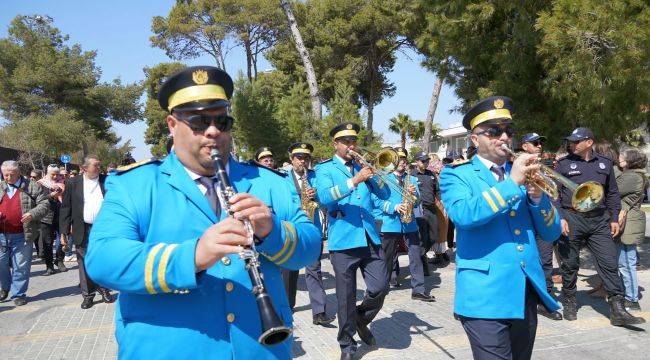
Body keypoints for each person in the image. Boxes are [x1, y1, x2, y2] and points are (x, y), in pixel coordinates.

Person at [85, 66, 321, 358]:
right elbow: (102, 259)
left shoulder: (268, 181)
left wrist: (272, 231)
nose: (213, 131)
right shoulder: (135, 184)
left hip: (259, 349)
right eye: (198, 121)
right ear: (172, 125)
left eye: (222, 121)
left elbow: (310, 247)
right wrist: (192, 257)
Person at [439, 96, 562, 360]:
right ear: (474, 139)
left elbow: (551, 234)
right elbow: (463, 215)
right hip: (484, 295)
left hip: (525, 291)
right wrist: (511, 184)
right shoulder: (456, 174)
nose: (504, 137)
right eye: (494, 131)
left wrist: (538, 198)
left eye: (508, 130)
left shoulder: (523, 173)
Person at [315, 122, 390, 360]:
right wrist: (354, 180)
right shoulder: (324, 168)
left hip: (369, 236)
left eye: (353, 141)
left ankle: (360, 318)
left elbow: (385, 194)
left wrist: (373, 174)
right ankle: (347, 346)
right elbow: (325, 196)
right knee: (345, 298)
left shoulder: (362, 166)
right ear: (335, 144)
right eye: (346, 142)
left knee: (380, 287)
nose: (351, 146)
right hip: (343, 240)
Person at [555, 127, 644, 326]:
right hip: (572, 218)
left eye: (576, 141)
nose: (572, 144)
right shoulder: (563, 164)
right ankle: (570, 300)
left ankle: (618, 309)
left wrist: (613, 218)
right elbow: (554, 194)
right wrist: (560, 218)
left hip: (599, 220)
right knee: (570, 263)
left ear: (589, 142)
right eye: (570, 141)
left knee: (609, 263)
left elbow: (612, 193)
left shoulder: (605, 164)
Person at [281, 142, 335, 326]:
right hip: (291, 230)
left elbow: (326, 200)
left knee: (314, 270)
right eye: (299, 158)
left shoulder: (315, 176)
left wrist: (316, 195)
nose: (302, 161)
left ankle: (319, 311)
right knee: (289, 270)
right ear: (291, 159)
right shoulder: (282, 178)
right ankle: (287, 306)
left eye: (305, 158)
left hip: (312, 230)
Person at [375, 147, 434, 302]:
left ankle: (418, 289)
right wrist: (393, 207)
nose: (402, 162)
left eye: (404, 159)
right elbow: (376, 201)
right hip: (390, 222)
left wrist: (414, 194)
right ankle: (384, 285)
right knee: (387, 257)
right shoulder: (383, 178)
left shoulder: (412, 179)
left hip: (410, 223)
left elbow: (418, 202)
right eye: (399, 159)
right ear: (393, 161)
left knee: (416, 255)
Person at [59, 155, 114, 309]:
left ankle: (104, 289)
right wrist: (63, 232)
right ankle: (88, 295)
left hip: (104, 229)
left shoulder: (107, 181)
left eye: (99, 165)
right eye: (95, 165)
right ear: (84, 168)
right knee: (84, 263)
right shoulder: (72, 183)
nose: (98, 168)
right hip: (82, 228)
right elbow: (66, 209)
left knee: (102, 260)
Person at [519, 133, 563, 321]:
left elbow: (554, 194)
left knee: (546, 261)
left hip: (544, 219)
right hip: (524, 222)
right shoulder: (517, 166)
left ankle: (545, 299)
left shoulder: (546, 167)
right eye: (535, 143)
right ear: (524, 146)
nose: (539, 146)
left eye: (541, 143)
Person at [0, 161, 49, 306]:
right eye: (5, 175)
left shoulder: (31, 186)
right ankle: (5, 288)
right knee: (1, 263)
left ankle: (18, 293)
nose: (8, 177)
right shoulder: (1, 186)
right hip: (1, 234)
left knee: (21, 265)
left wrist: (32, 214)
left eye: (11, 174)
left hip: (23, 233)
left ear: (19, 173)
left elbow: (44, 204)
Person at [615, 148, 648, 311]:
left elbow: (613, 188)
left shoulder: (632, 176)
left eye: (622, 156)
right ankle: (628, 295)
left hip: (629, 224)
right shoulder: (632, 174)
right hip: (628, 222)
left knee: (627, 263)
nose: (619, 158)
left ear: (630, 160)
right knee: (624, 262)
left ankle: (632, 299)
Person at [411, 151, 439, 273]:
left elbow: (437, 190)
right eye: (423, 161)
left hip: (432, 209)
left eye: (427, 161)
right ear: (417, 162)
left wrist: (441, 201)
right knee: (423, 237)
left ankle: (422, 255)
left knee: (434, 237)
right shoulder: (412, 175)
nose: (426, 163)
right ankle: (422, 263)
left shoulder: (431, 174)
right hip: (420, 210)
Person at [37, 164, 67, 275]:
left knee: (63, 239)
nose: (55, 177)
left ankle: (59, 260)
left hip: (62, 214)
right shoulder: (41, 183)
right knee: (47, 242)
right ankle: (49, 266)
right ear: (47, 173)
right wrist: (51, 196)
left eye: (57, 174)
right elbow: (38, 200)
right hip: (46, 216)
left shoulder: (64, 182)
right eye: (52, 174)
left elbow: (68, 197)